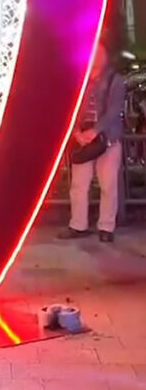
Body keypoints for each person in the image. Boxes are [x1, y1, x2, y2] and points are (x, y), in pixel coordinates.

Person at [58, 43, 126, 243]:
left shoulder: (115, 80)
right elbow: (71, 108)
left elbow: (115, 110)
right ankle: (78, 224)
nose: (94, 57)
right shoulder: (80, 81)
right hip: (83, 140)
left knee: (108, 185)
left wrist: (95, 130)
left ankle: (106, 226)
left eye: (98, 53)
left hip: (107, 139)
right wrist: (76, 132)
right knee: (78, 185)